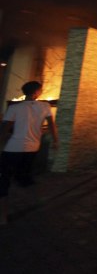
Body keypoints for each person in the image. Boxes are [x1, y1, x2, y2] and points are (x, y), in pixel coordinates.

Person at [0, 81, 59, 225]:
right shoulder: (45, 106)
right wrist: (56, 142)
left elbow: (5, 130)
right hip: (32, 148)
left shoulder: (14, 108)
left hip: (13, 149)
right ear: (37, 92)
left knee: (3, 180)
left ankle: (2, 217)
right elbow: (52, 126)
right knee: (24, 176)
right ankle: (37, 202)